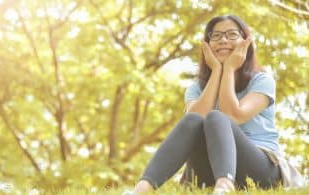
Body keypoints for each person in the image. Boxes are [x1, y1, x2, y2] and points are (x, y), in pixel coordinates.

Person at [125, 15, 292, 194]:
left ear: (246, 41)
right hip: (210, 168)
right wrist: (217, 71)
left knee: (217, 117)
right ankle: (141, 189)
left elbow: (232, 116)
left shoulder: (262, 80)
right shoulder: (196, 88)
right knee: (193, 119)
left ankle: (225, 186)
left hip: (258, 167)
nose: (223, 40)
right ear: (207, 45)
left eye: (232, 34)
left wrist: (229, 68)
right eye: (216, 36)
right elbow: (196, 120)